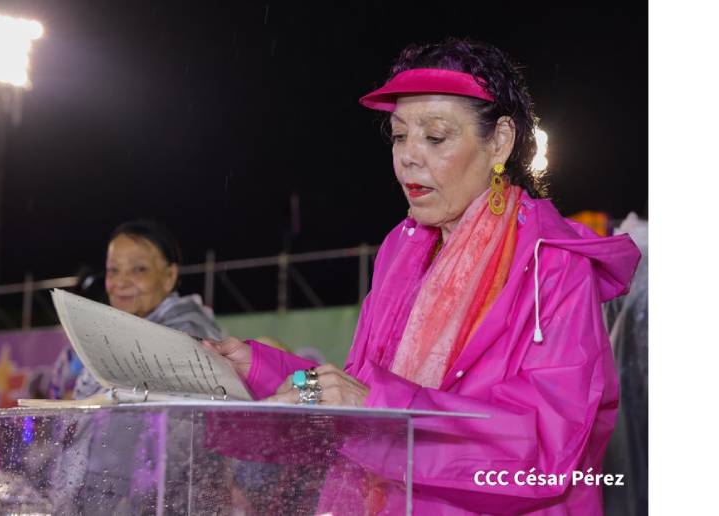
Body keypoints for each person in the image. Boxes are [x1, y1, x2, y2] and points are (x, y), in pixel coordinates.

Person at [202, 38, 641, 514]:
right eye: (398, 136)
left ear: (500, 141)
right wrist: (254, 372)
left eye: (435, 137)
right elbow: (351, 391)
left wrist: (379, 413)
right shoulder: (403, 248)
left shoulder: (552, 264)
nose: (408, 157)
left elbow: (544, 449)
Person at [49, 219, 223, 400]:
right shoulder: (107, 336)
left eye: (139, 269)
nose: (121, 282)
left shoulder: (190, 336)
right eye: (113, 270)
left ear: (169, 276)